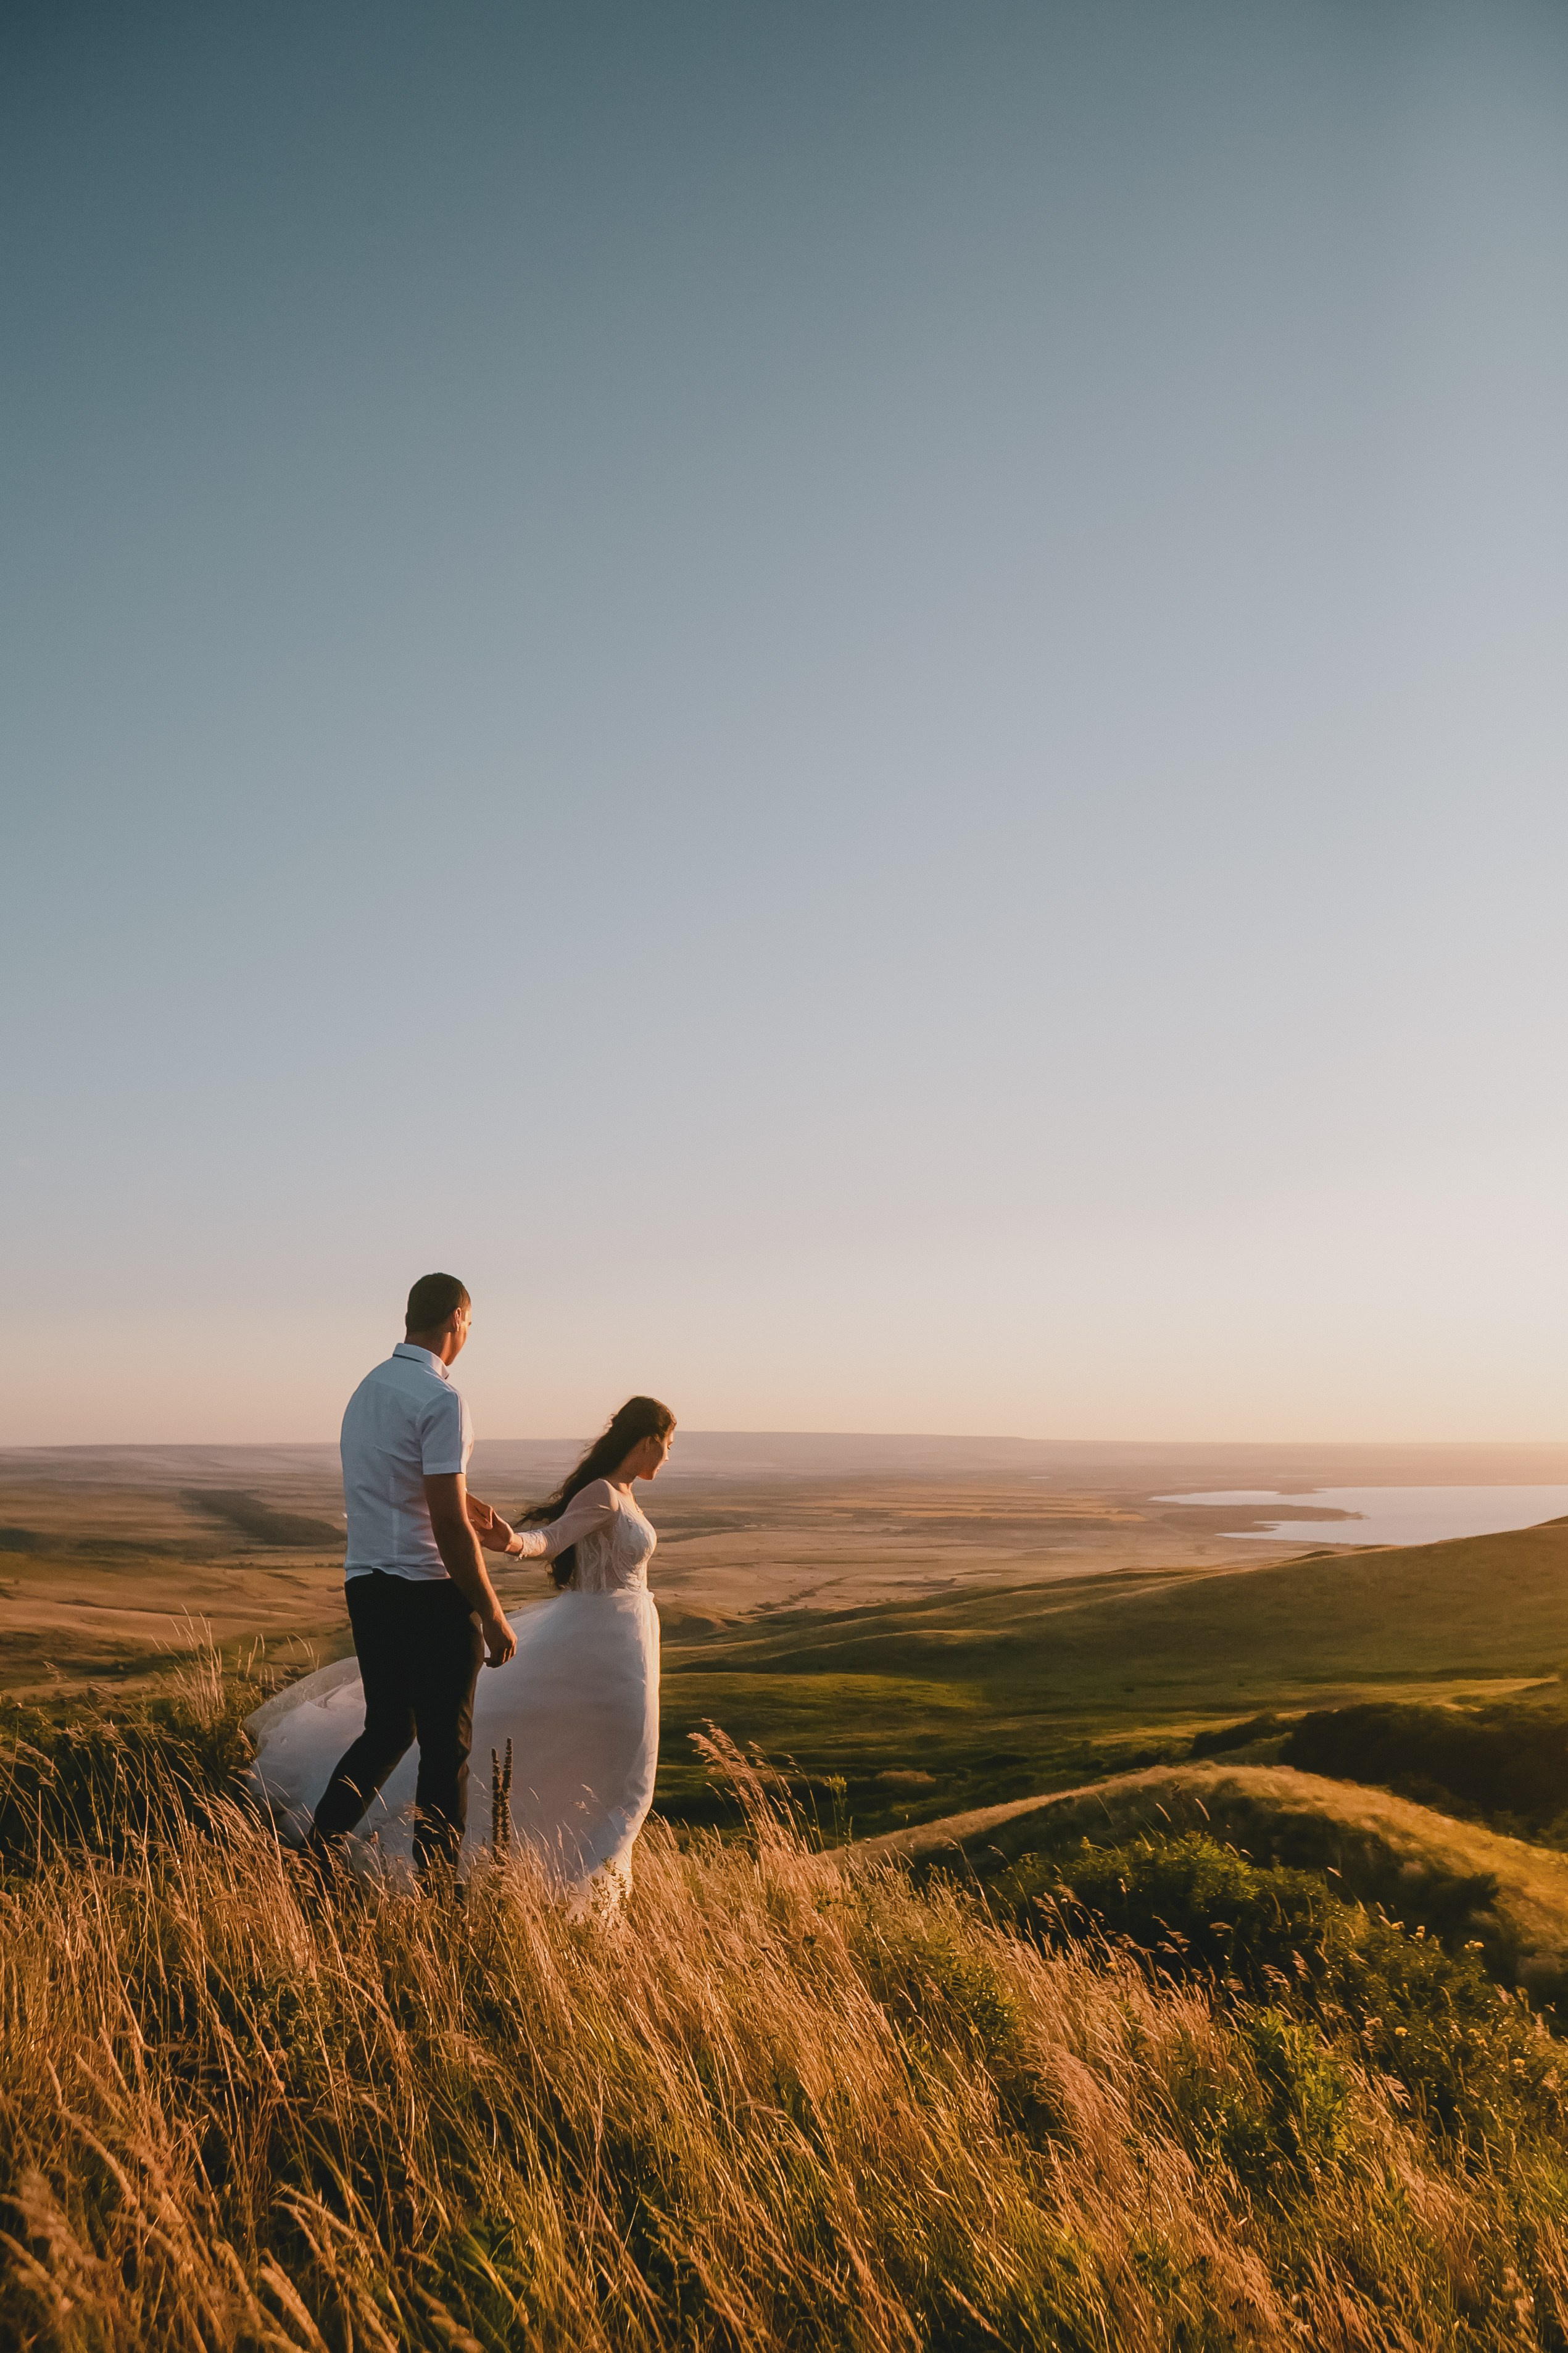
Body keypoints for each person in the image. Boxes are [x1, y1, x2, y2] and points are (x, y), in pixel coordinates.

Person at [248, 1391, 675, 1905]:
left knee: (617, 1763)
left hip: (624, 1643)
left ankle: (585, 1887)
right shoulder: (604, 1493)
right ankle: (579, 1886)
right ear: (648, 1439)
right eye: (666, 1445)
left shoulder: (626, 1495)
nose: (667, 1457)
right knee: (626, 1769)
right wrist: (509, 1541)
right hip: (600, 1641)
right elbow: (552, 1539)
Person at [301, 1273, 520, 1877]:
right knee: (446, 1749)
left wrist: (463, 1506)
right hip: (429, 1592)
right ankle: (440, 1897)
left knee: (389, 1729)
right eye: (471, 1323)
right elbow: (448, 1526)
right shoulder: (441, 1398)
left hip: (368, 1583)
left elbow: (410, 1495)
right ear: (456, 1318)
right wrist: (494, 1613)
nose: (470, 1333)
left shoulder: (367, 1390)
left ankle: (313, 1855)